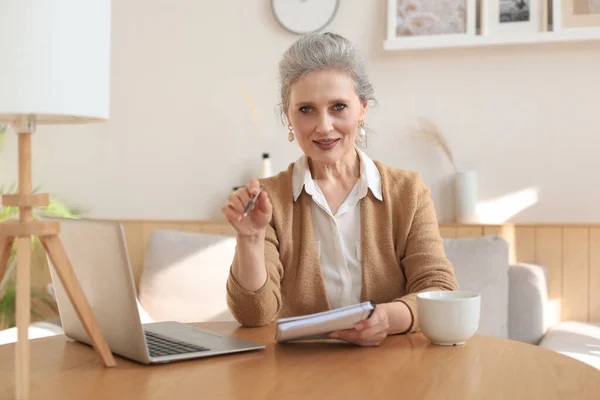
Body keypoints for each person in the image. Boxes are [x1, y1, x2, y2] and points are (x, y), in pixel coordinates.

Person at [221, 32, 458, 347]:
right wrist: (249, 240)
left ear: (361, 109)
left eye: (338, 107)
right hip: (297, 377)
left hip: (393, 372)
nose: (323, 126)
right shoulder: (267, 200)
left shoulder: (407, 193)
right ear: (287, 114)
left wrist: (387, 318)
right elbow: (254, 316)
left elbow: (439, 289)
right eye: (306, 109)